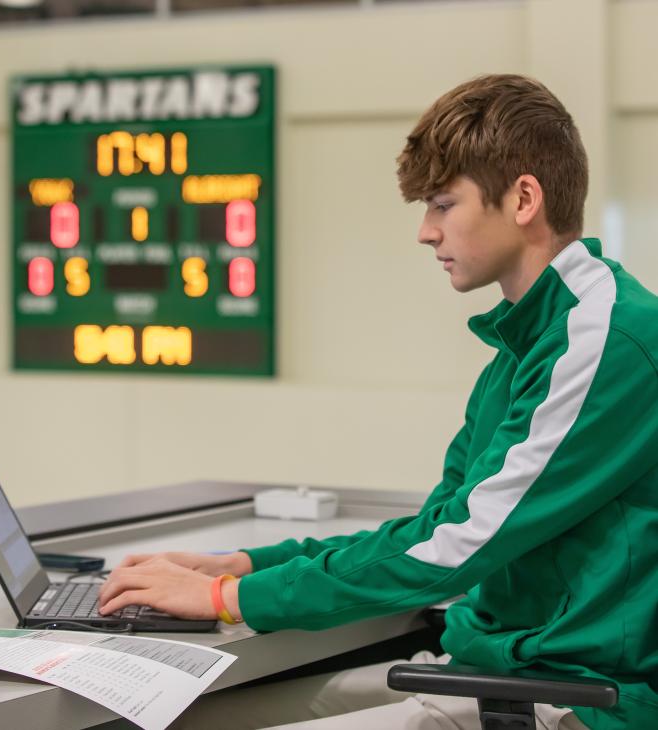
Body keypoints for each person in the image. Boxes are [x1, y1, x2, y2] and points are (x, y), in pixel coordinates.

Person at [98, 75, 658, 730]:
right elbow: (437, 524)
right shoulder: (525, 343)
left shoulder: (603, 339)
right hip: (498, 672)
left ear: (524, 198)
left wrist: (225, 597)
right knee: (184, 714)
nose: (425, 231)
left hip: (580, 700)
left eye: (443, 204)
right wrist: (244, 564)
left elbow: (452, 547)